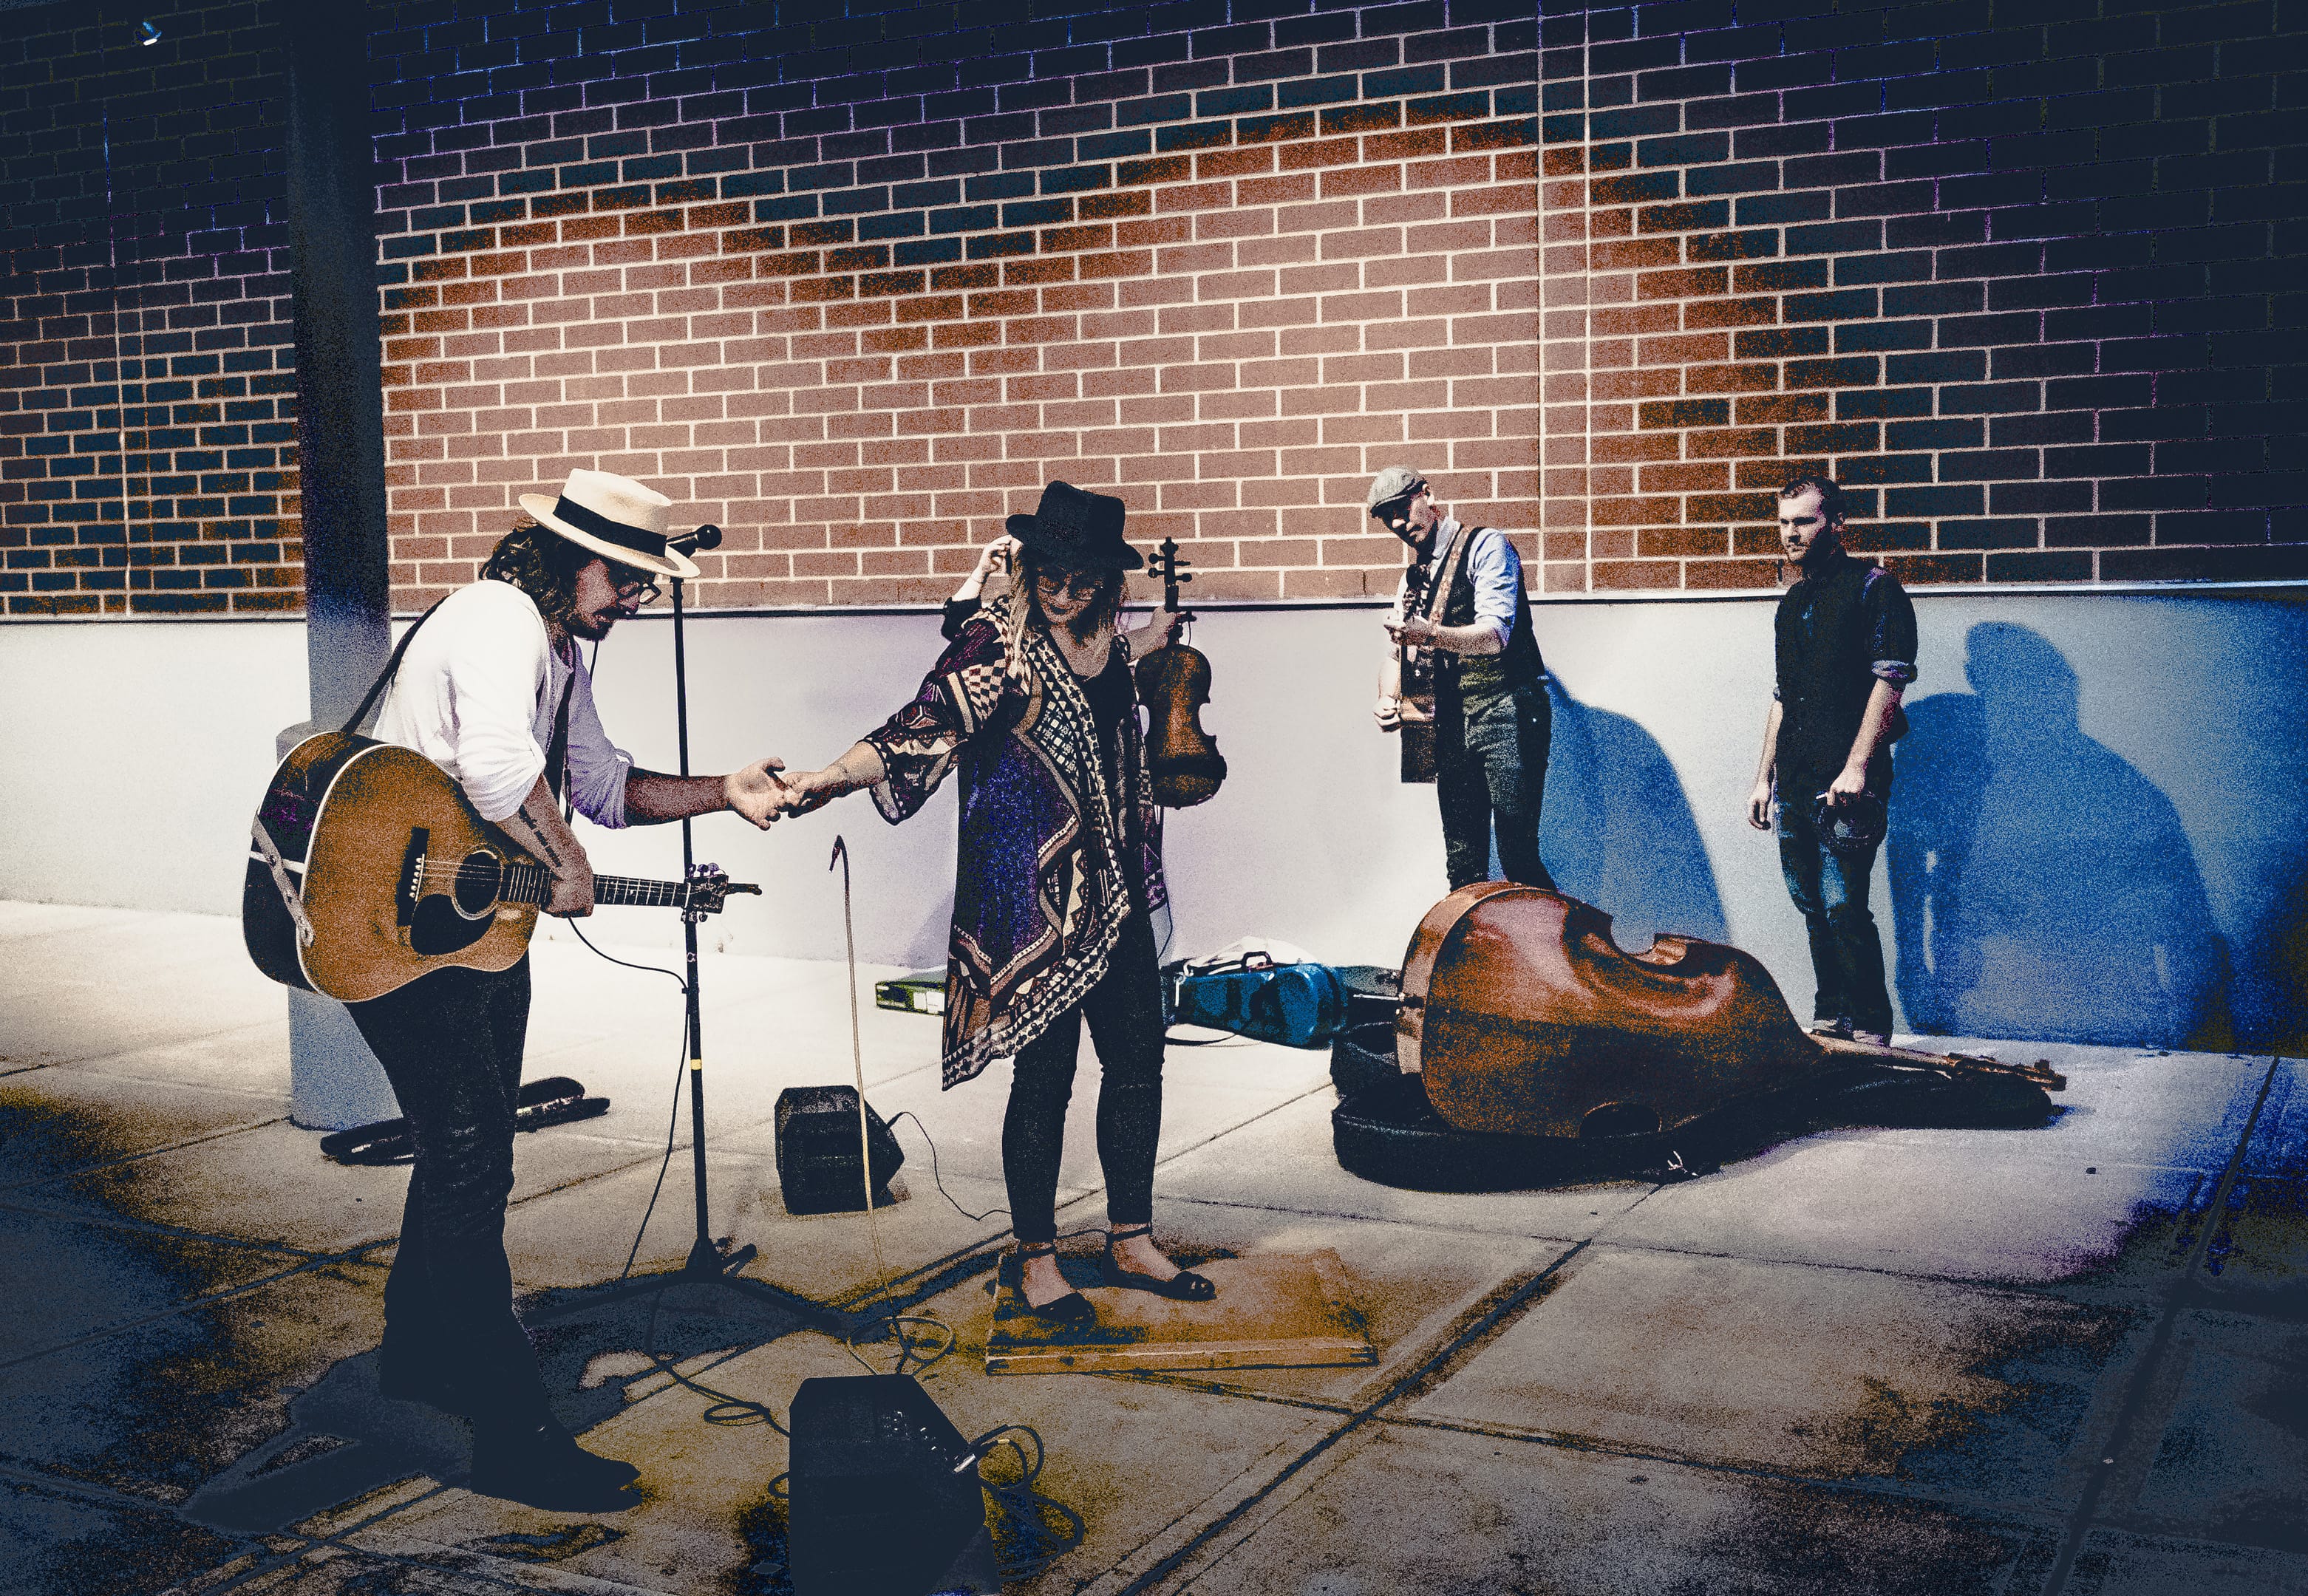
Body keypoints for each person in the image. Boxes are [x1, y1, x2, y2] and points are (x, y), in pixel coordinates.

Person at [350, 468, 786, 1509]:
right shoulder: (498, 617)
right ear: (564, 557)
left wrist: (721, 792)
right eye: (623, 577)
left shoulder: (556, 649)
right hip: (394, 925)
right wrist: (567, 858)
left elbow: (603, 785)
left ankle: (417, 1355)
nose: (635, 598)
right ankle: (513, 1438)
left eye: (643, 581)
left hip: (468, 929)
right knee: (469, 1167)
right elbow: (501, 770)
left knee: (465, 1153)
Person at [767, 482, 1208, 1324]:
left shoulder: (1112, 649)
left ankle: (1131, 1235)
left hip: (1115, 894)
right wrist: (830, 777)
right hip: (1031, 907)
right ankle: (1037, 1256)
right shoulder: (995, 648)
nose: (1062, 592)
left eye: (1081, 579)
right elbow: (919, 724)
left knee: (1138, 1066)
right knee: (1044, 1081)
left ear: (1107, 582)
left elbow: (1130, 694)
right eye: (1049, 574)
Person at [1744, 474, 1918, 1046]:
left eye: (1803, 521)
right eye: (1783, 522)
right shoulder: (1793, 602)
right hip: (1794, 779)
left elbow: (1890, 680)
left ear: (1836, 523)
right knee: (1810, 903)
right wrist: (1762, 779)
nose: (1790, 533)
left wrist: (1858, 766)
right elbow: (1782, 696)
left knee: (1844, 904)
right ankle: (1831, 1014)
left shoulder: (1874, 588)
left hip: (1845, 781)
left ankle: (1869, 1022)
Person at [1369, 466, 1556, 892]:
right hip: (1452, 722)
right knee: (1462, 863)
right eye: (1387, 518)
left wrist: (1430, 635)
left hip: (1507, 708)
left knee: (1518, 856)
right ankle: (1476, 940)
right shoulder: (1412, 578)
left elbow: (1495, 636)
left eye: (1402, 509)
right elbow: (1396, 655)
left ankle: (1560, 938)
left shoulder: (1486, 546)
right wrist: (1385, 697)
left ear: (1427, 495)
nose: (1398, 524)